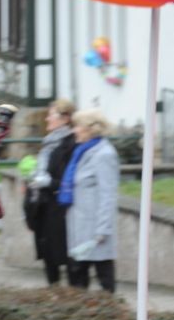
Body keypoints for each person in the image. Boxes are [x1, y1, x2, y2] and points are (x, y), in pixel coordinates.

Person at [60, 109, 119, 293]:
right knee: (77, 279)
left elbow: (108, 194)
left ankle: (112, 316)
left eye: (77, 126)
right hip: (79, 227)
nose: (74, 130)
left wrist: (102, 229)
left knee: (104, 278)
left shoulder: (104, 154)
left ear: (90, 130)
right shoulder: (83, 151)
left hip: (94, 229)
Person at [26, 99, 77, 285]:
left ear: (65, 118)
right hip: (43, 206)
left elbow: (68, 180)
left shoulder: (70, 143)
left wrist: (46, 181)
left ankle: (72, 299)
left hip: (59, 208)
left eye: (51, 115)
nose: (47, 119)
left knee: (64, 255)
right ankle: (53, 294)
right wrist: (34, 174)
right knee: (48, 255)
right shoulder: (49, 142)